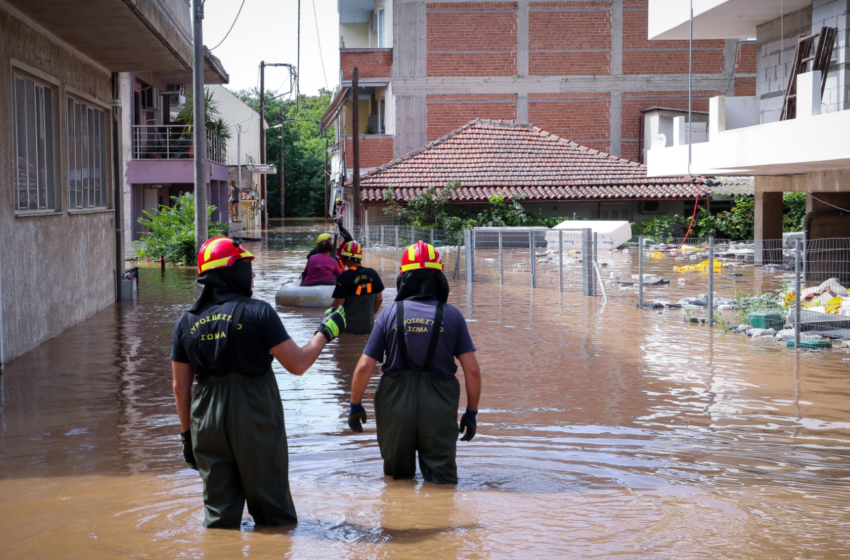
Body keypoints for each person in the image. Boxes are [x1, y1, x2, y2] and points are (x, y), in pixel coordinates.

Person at [171, 236, 346, 528]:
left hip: (206, 419)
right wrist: (326, 332)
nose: (251, 275)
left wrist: (188, 437)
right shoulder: (258, 312)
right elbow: (298, 364)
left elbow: (180, 388)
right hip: (254, 412)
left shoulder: (186, 322)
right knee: (273, 511)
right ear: (230, 271)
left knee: (219, 515)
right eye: (245, 267)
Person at [346, 241, 482, 484]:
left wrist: (355, 404)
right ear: (438, 278)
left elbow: (365, 365)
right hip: (439, 404)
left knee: (396, 480)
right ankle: (443, 518)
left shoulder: (389, 313)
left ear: (404, 278)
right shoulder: (453, 315)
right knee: (443, 480)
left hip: (394, 401)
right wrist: (471, 412)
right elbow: (472, 370)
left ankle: (399, 519)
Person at [332, 241, 385, 334]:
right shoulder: (373, 273)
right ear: (360, 257)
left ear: (345, 258)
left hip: (348, 329)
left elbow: (338, 305)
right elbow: (379, 299)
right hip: (369, 327)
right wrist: (370, 316)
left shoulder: (344, 276)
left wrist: (327, 317)